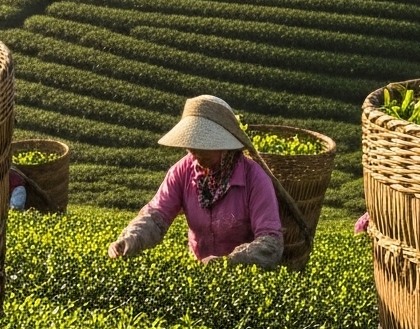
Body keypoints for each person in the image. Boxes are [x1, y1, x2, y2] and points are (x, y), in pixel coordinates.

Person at [108, 95, 292, 268]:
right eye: (192, 147)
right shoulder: (182, 171)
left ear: (224, 146)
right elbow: (156, 216)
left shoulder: (254, 179)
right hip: (200, 272)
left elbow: (271, 242)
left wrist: (228, 262)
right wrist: (130, 239)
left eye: (204, 147)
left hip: (243, 277)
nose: (195, 154)